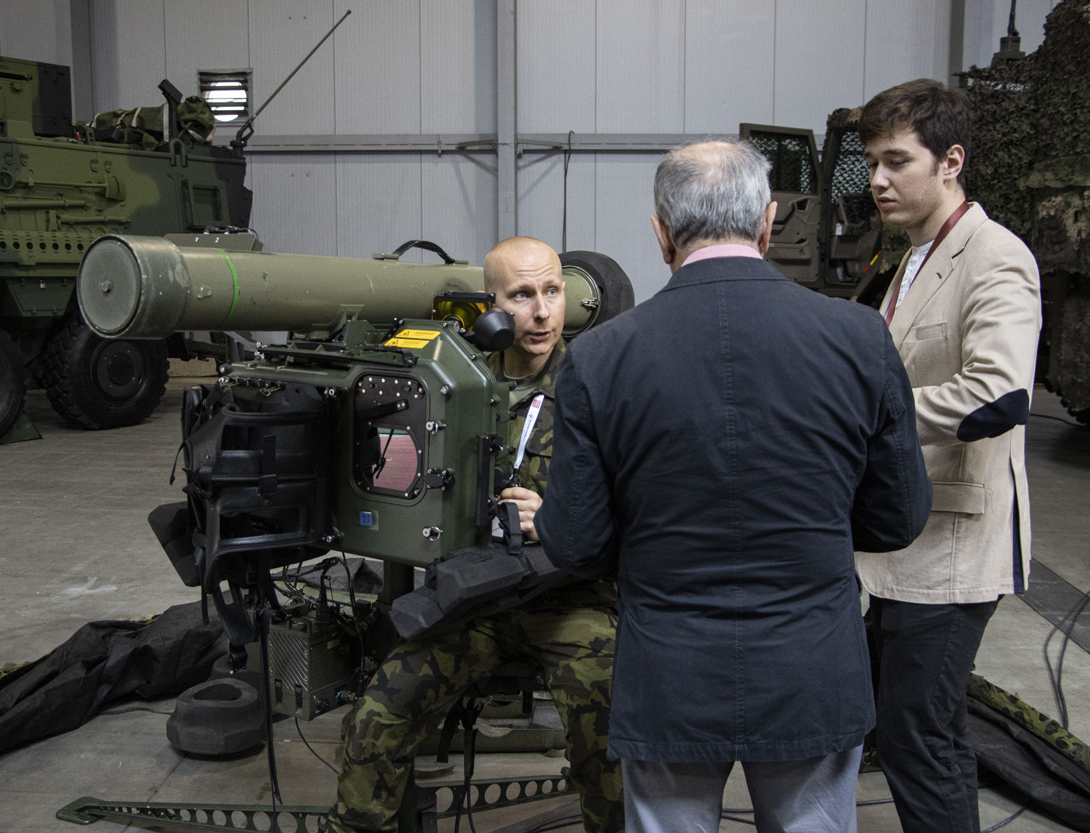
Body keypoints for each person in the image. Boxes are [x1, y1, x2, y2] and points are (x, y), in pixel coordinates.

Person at [534, 139, 932, 833]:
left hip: (670, 671)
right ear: (768, 223)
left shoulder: (597, 357)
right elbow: (897, 518)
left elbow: (577, 543)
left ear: (661, 232)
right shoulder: (858, 337)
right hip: (811, 664)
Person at [325, 236, 623, 833]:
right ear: (490, 304)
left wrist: (561, 516)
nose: (542, 313)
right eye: (522, 296)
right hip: (473, 597)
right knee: (376, 719)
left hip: (569, 599)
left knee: (610, 737)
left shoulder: (601, 384)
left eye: (553, 292)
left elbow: (645, 506)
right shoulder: (453, 384)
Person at [856, 79, 1043, 833]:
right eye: (872, 162)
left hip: (953, 548)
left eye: (897, 161)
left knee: (919, 737)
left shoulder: (995, 256)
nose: (878, 179)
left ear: (951, 161)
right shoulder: (910, 258)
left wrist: (868, 419)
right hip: (905, 538)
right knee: (909, 727)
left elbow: (998, 396)